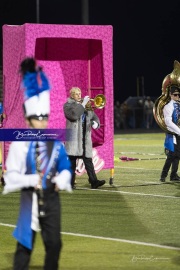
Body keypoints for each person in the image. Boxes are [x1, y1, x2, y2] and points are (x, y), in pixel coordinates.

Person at [2, 57, 72, 270]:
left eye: (45, 117)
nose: (42, 122)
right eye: (37, 118)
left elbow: (66, 167)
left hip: (51, 200)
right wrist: (33, 179)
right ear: (27, 118)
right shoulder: (19, 145)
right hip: (29, 201)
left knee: (54, 245)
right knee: (24, 248)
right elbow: (9, 176)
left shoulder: (55, 143)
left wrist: (62, 178)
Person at [63, 86, 106, 189]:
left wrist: (96, 123)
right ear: (72, 96)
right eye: (77, 94)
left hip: (84, 137)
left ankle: (93, 181)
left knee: (88, 160)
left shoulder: (85, 105)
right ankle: (70, 183)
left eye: (80, 93)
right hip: (74, 138)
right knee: (72, 162)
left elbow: (93, 116)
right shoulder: (68, 105)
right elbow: (74, 115)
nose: (79, 95)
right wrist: (82, 105)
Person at [160, 85, 180, 182]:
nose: (177, 97)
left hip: (178, 134)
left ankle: (174, 175)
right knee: (171, 156)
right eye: (175, 95)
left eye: (178, 95)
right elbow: (168, 122)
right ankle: (163, 176)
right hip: (172, 134)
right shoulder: (168, 106)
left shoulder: (179, 106)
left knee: (177, 156)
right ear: (171, 95)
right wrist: (179, 131)